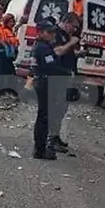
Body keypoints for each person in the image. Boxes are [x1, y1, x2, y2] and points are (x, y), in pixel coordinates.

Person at [31, 20, 75, 160]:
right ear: (41, 32)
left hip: (43, 81)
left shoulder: (44, 46)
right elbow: (50, 67)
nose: (52, 35)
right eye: (49, 32)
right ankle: (40, 150)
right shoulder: (42, 48)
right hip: (44, 82)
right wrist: (67, 73)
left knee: (44, 116)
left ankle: (41, 147)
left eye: (53, 32)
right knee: (43, 118)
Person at [48, 12, 82, 152]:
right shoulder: (57, 34)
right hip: (57, 77)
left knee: (62, 109)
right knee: (55, 109)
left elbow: (67, 53)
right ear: (66, 22)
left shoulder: (65, 35)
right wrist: (72, 43)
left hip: (67, 76)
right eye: (74, 26)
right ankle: (50, 139)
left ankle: (55, 136)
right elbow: (57, 52)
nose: (74, 30)